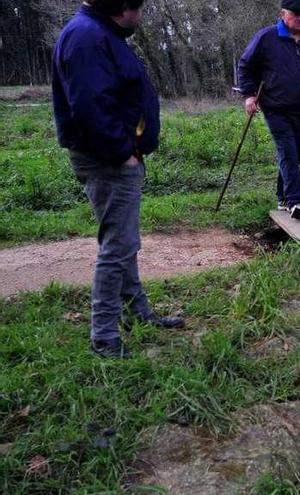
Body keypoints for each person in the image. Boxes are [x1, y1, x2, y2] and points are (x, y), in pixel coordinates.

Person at [52, 0, 184, 359]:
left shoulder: (101, 33)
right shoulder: (86, 38)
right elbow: (90, 107)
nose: (141, 15)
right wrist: (122, 152)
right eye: (138, 6)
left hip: (114, 155)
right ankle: (105, 335)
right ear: (121, 5)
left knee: (124, 240)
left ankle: (136, 309)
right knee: (118, 245)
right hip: (107, 159)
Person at [238, 0, 300, 220]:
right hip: (276, 108)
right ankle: (294, 201)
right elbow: (245, 65)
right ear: (282, 14)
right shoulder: (267, 38)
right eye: (295, 14)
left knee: (296, 154)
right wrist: (249, 95)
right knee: (287, 152)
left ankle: (281, 196)